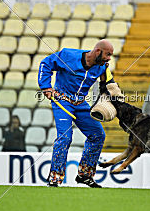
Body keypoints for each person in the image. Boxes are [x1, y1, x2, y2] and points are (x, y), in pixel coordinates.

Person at [38, 39, 115, 188]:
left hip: (81, 103)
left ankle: (85, 175)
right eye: (108, 54)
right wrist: (46, 87)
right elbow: (46, 63)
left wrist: (112, 102)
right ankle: (55, 178)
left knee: (98, 135)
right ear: (98, 51)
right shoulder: (68, 55)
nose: (109, 58)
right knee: (65, 137)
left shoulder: (103, 67)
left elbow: (109, 85)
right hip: (62, 101)